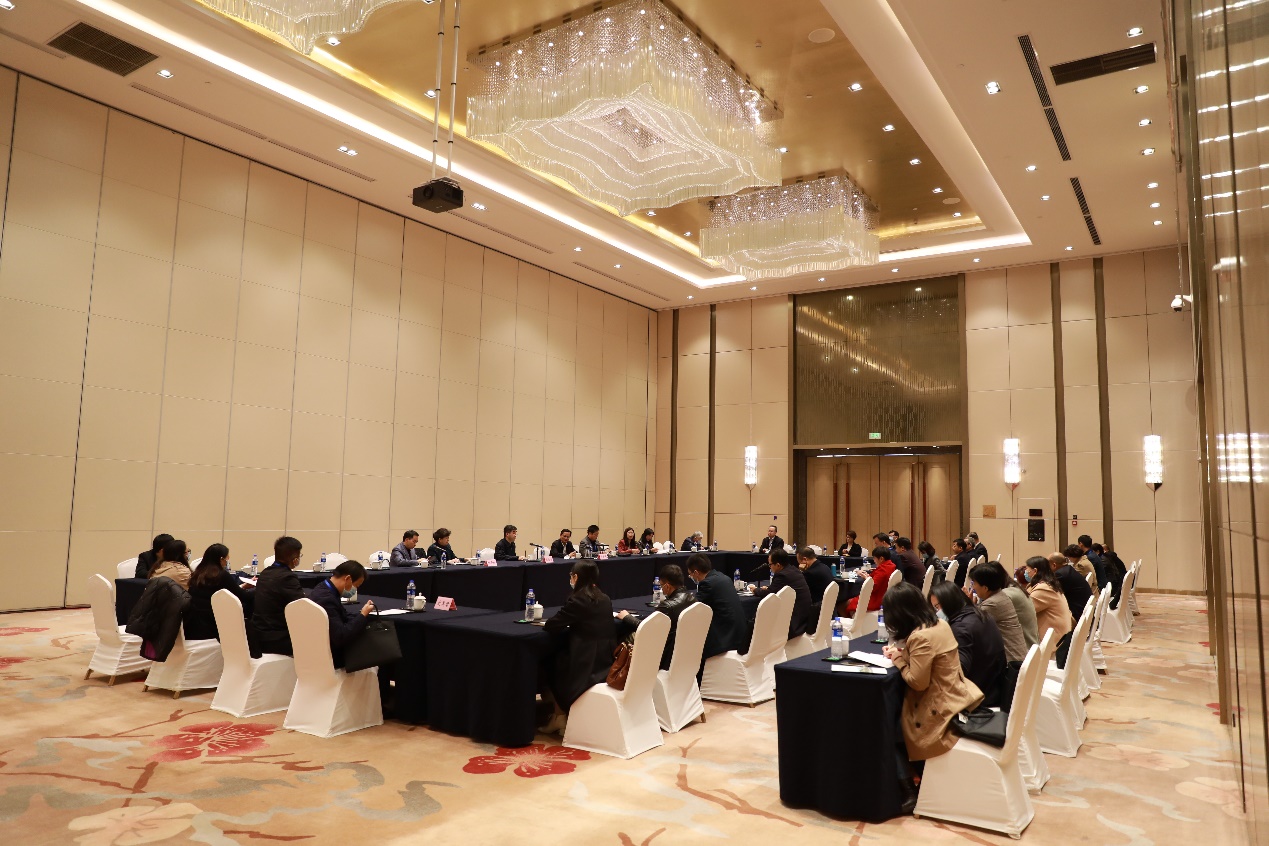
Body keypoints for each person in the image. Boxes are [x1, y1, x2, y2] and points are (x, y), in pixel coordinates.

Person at [881, 582, 983, 813]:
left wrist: (897, 659)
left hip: (938, 709)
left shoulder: (920, 637)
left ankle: (908, 791)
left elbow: (917, 682)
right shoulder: (940, 624)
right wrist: (902, 654)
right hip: (956, 696)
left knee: (887, 726)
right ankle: (918, 780)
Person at [539, 559, 615, 734]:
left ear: (576, 577)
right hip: (607, 661)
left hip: (587, 665)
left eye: (571, 576)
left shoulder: (578, 600)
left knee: (550, 662)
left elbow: (552, 625)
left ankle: (559, 715)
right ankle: (559, 714)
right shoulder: (605, 598)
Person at [929, 581, 1006, 708]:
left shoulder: (960, 628)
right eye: (935, 608)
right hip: (994, 688)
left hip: (978, 697)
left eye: (938, 607)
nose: (937, 613)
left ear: (950, 601)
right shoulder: (980, 614)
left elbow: (959, 673)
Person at [616, 564, 694, 670]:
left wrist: (627, 617)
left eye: (661, 585)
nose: (661, 589)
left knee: (626, 636)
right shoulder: (693, 600)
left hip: (664, 655)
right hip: (686, 653)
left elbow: (647, 629)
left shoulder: (667, 606)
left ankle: (623, 672)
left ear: (667, 586)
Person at [307, 560, 376, 669]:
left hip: (315, 650)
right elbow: (341, 636)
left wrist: (360, 615)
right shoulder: (327, 599)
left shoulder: (322, 588)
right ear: (347, 579)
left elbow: (341, 616)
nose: (355, 590)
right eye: (356, 585)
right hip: (332, 658)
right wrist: (362, 615)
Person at [685, 554, 748, 660]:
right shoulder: (724, 577)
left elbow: (693, 608)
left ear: (696, 572)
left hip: (726, 638)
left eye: (690, 574)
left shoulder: (707, 584)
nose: (691, 577)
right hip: (740, 634)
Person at [251, 536, 307, 656]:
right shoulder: (287, 577)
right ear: (294, 559)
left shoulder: (265, 573)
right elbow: (303, 606)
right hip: (276, 639)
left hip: (258, 635)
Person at [183, 543, 250, 641]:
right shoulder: (221, 575)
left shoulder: (197, 573)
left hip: (193, 625)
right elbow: (243, 596)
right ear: (221, 559)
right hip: (212, 626)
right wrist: (258, 590)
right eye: (227, 558)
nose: (228, 560)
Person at [968, 563, 1028, 664]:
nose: (973, 587)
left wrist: (966, 604)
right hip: (1018, 658)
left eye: (974, 583)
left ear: (985, 588)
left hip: (1011, 665)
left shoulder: (992, 604)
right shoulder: (1000, 595)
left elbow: (969, 624)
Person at [1024, 555, 1073, 667]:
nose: (1025, 572)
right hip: (1057, 635)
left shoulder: (1044, 588)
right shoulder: (1048, 583)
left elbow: (1025, 609)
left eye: (1027, 569)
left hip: (1053, 642)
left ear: (1035, 571)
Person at [751, 548, 811, 639]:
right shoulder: (794, 570)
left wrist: (755, 590)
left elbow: (769, 594)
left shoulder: (782, 575)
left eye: (770, 564)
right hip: (804, 617)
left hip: (794, 622)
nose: (770, 567)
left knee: (759, 619)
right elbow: (777, 588)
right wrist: (769, 588)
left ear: (778, 565)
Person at [987, 561, 1039, 648]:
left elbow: (979, 619)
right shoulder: (1016, 588)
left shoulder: (1005, 595)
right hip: (1031, 647)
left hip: (1024, 650)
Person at [845, 546, 896, 614]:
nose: (874, 561)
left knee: (843, 604)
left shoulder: (882, 570)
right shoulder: (891, 566)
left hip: (876, 600)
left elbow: (873, 586)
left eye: (874, 558)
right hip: (885, 597)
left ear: (881, 559)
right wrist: (870, 575)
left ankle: (854, 620)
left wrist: (865, 577)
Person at [1053, 548, 1093, 623]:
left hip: (1077, 616)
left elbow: (1053, 595)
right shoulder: (1069, 570)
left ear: (1054, 565)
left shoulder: (1060, 574)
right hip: (1084, 613)